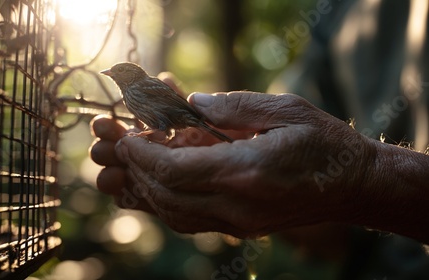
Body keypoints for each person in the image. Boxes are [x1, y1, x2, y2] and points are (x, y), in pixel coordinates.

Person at [90, 0, 429, 277]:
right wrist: (258, 189)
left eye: (118, 71)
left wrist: (368, 177)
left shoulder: (144, 87)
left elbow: (336, 167)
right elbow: (319, 190)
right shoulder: (340, 14)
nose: (113, 75)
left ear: (130, 75)